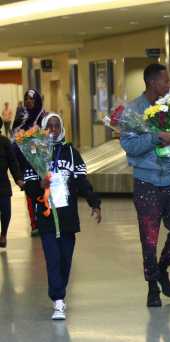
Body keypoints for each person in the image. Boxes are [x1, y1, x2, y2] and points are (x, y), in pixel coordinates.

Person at [121, 63, 170, 307]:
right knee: (149, 239)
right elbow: (129, 146)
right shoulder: (133, 111)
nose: (169, 85)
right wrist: (156, 137)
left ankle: (162, 269)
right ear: (152, 82)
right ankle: (152, 286)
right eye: (166, 81)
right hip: (146, 181)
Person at [19, 113, 102, 320]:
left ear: (62, 128)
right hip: (47, 216)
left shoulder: (72, 153)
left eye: (57, 126)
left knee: (65, 258)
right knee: (53, 259)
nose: (53, 130)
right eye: (50, 126)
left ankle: (59, 292)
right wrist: (39, 186)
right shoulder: (35, 152)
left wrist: (94, 202)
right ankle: (58, 300)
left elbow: (82, 181)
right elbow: (28, 187)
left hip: (67, 216)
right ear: (44, 129)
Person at [13, 89, 47, 235]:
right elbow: (15, 137)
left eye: (31, 99)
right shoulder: (20, 117)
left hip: (40, 163)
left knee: (42, 192)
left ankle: (44, 221)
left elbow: (48, 136)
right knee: (30, 194)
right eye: (26, 98)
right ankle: (34, 224)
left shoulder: (44, 117)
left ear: (37, 100)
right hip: (25, 163)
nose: (28, 101)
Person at [0, 118, 24, 248]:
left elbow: (13, 163)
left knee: (6, 211)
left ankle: (3, 234)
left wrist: (19, 179)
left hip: (2, 183)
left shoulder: (5, 142)